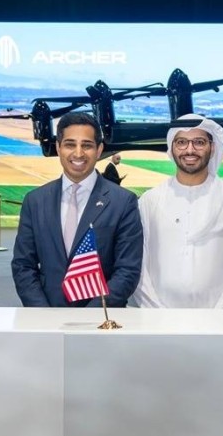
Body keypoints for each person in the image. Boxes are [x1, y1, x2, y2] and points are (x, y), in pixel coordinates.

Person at [11, 112, 143, 307]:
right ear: (58, 147)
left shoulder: (123, 202)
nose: (78, 153)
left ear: (99, 150)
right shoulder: (35, 201)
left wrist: (91, 315)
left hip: (100, 318)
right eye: (70, 144)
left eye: (87, 145)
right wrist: (42, 313)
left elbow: (127, 270)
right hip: (45, 316)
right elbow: (23, 265)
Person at [133, 114, 223, 308]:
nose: (189, 150)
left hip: (222, 318)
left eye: (199, 142)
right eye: (181, 142)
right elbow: (138, 265)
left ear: (212, 148)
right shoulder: (150, 201)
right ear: (171, 147)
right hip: (157, 317)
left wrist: (221, 315)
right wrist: (156, 313)